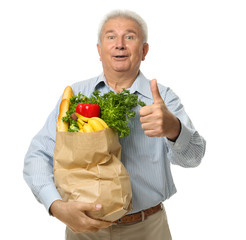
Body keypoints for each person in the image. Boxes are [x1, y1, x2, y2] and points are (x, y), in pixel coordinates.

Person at [23, 9, 206, 240]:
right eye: (111, 37)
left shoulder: (163, 98)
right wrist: (56, 206)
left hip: (148, 229)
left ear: (144, 50)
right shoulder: (76, 95)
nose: (119, 44)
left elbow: (195, 157)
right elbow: (38, 155)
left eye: (129, 37)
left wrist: (174, 129)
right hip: (84, 230)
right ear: (99, 50)